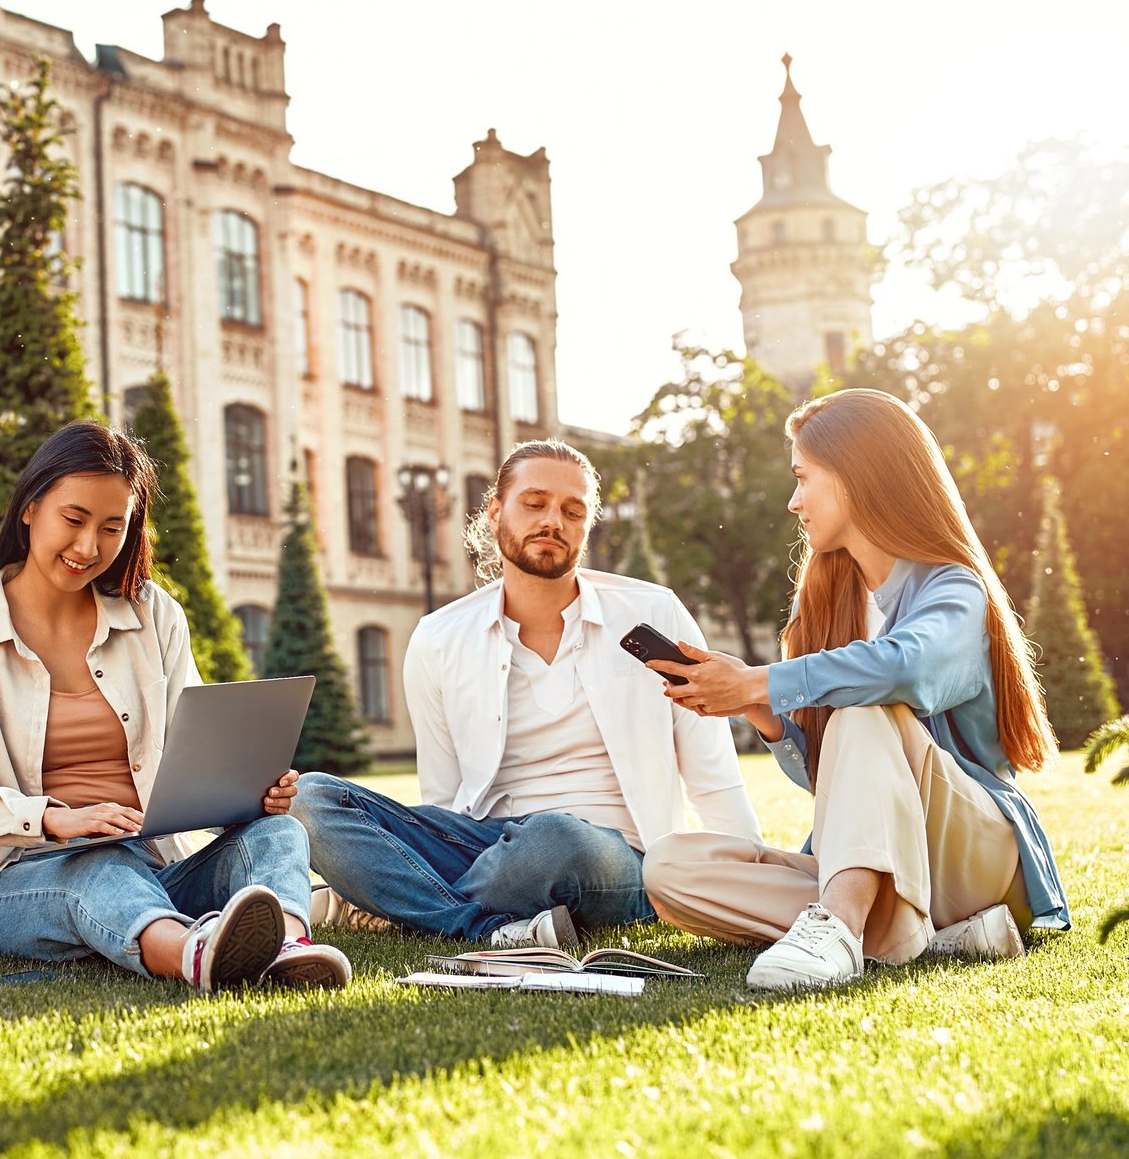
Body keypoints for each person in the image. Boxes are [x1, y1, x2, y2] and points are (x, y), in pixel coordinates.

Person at [643, 388, 1068, 991]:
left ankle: (843, 926)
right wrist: (760, 709)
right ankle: (924, 935)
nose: (794, 501)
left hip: (972, 854)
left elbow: (907, 670)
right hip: (888, 864)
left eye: (803, 478)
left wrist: (760, 679)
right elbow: (840, 781)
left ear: (856, 477)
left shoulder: (954, 590)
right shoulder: (829, 603)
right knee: (669, 868)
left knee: (863, 710)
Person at [0, 421, 350, 991]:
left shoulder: (152, 615)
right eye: (73, 520)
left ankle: (286, 948)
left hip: (158, 865)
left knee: (280, 836)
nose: (89, 547)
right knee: (98, 868)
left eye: (112, 528)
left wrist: (248, 794)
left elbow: (194, 746)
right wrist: (53, 819)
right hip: (33, 878)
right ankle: (196, 955)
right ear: (29, 508)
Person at [295, 439, 759, 948]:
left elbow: (712, 773)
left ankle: (394, 903)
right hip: (484, 846)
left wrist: (753, 887)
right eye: (534, 503)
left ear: (587, 526)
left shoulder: (654, 613)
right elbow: (445, 799)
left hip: (613, 856)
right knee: (309, 796)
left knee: (552, 839)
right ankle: (483, 925)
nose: (552, 522)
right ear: (495, 513)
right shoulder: (438, 637)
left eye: (572, 510)